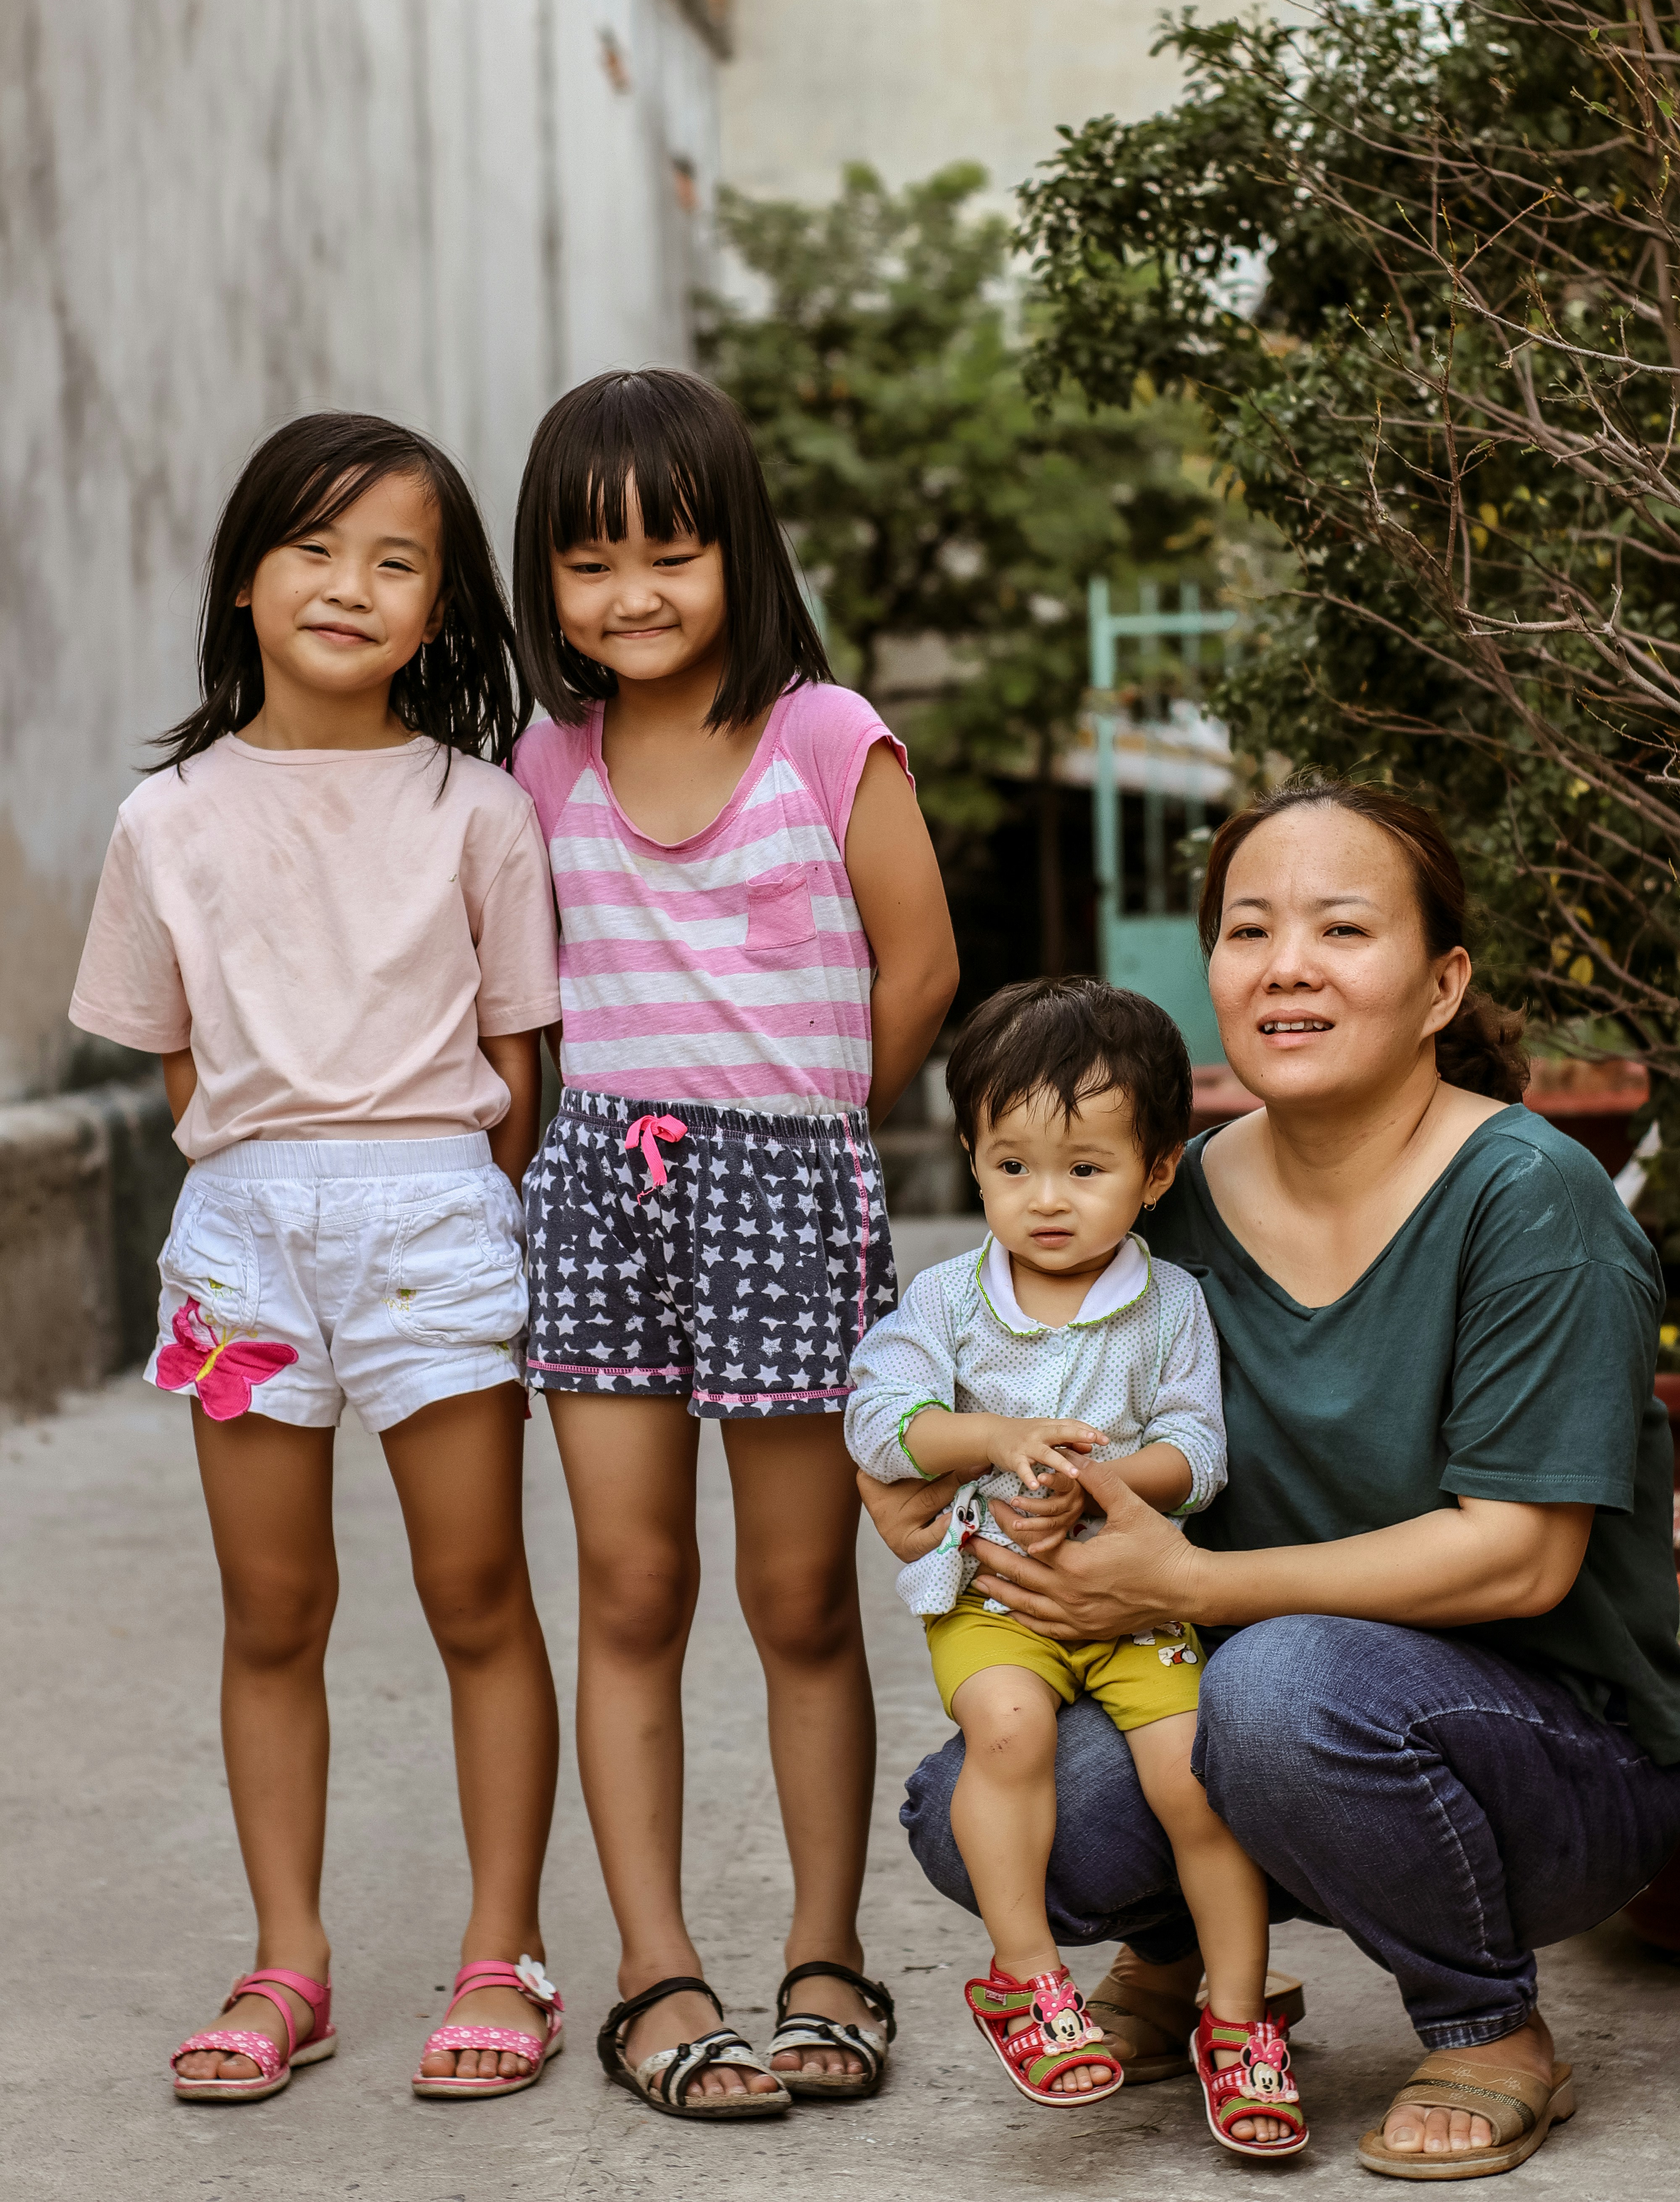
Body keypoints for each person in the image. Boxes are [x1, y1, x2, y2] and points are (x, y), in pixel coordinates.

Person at [861, 780, 1680, 2181]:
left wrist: (1183, 1582)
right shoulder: (1156, 1202)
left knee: (1278, 1684)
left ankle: (1487, 2027)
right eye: (1250, 928)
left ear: (1441, 985)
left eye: (1342, 928)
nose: (1286, 962)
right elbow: (994, 1396)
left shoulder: (1532, 1202)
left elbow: (1522, 1560)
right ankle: (1185, 1966)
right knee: (978, 1803)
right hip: (1262, 1727)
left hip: (1556, 1752)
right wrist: (942, 1496)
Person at [70, 415, 567, 2104]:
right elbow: (178, 1065)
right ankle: (290, 1960)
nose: (350, 585)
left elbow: (522, 1072)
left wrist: (426, 1194)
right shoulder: (168, 821)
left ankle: (504, 1952)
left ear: (439, 611)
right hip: (246, 1240)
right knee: (272, 1610)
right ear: (240, 577)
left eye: (397, 560)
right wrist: (283, 1177)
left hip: (436, 1217)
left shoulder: (477, 809)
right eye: (314, 548)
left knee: (475, 1595)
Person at [508, 367, 959, 2118]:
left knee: (796, 1600)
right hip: (598, 1194)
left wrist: (816, 1130)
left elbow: (912, 966)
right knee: (630, 1587)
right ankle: (653, 1971)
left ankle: (826, 1955)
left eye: (671, 554)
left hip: (793, 1186)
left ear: (735, 554)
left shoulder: (828, 734)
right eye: (589, 562)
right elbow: (518, 997)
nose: (632, 596)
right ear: (546, 580)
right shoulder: (543, 762)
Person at [845, 979, 1307, 2150]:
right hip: (996, 1592)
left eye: (1086, 1169)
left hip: (1137, 1593)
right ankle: (1028, 1980)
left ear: (1157, 1172)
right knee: (1006, 1734)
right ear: (973, 1157)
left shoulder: (1170, 1308)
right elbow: (879, 1418)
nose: (1046, 1201)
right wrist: (993, 1441)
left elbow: (1198, 1453)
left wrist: (1108, 1483)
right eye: (1013, 1168)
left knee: (1195, 1781)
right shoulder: (949, 1300)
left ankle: (1239, 2019)